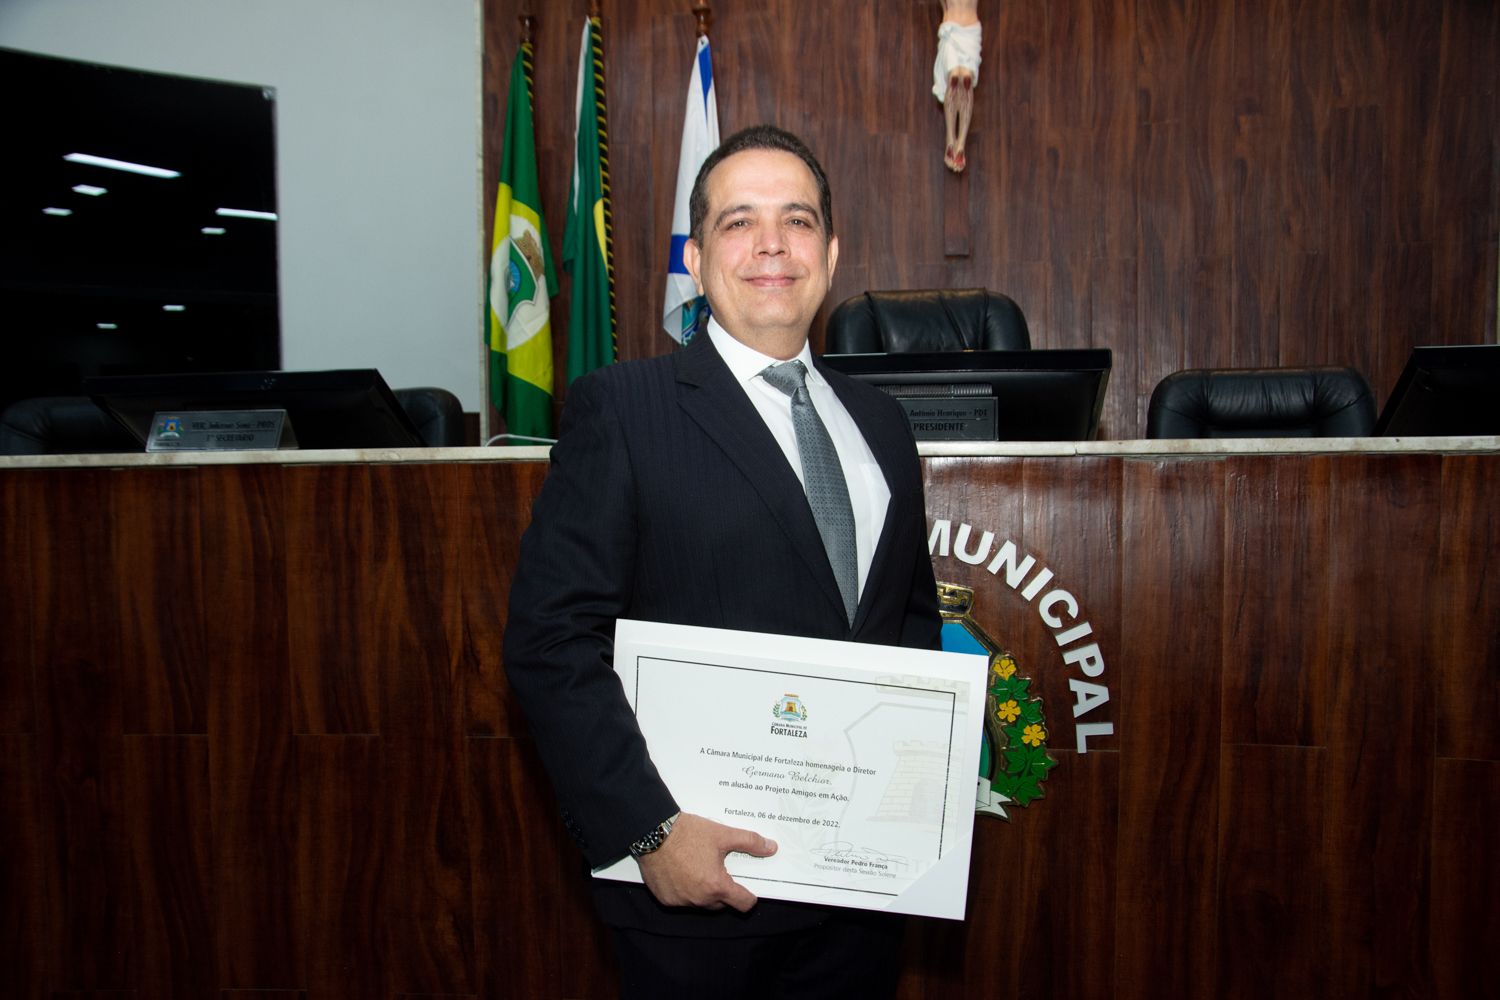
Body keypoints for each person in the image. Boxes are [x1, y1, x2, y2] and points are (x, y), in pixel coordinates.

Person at [503, 124, 942, 999]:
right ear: (698, 263)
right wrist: (649, 832)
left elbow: (910, 627)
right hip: (700, 900)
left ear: (831, 254)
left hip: (859, 896)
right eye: (739, 222)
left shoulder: (884, 424)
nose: (772, 243)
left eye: (798, 220)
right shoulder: (622, 410)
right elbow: (549, 641)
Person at [934, 0, 982, 172]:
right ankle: (950, 138)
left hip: (971, 32)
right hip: (951, 30)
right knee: (953, 77)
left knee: (966, 80)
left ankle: (960, 144)